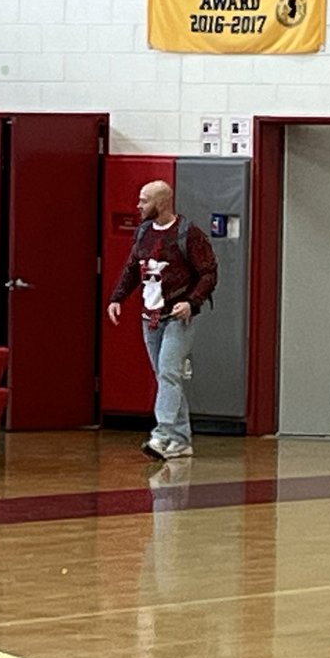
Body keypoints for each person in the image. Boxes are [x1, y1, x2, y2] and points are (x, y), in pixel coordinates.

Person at [107, 181, 218, 460]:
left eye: (144, 201)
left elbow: (208, 272)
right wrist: (117, 298)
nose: (138, 206)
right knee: (166, 376)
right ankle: (180, 440)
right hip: (150, 316)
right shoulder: (144, 232)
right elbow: (133, 267)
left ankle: (163, 434)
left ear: (162, 202)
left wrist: (192, 302)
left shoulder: (188, 234)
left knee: (169, 372)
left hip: (177, 317)